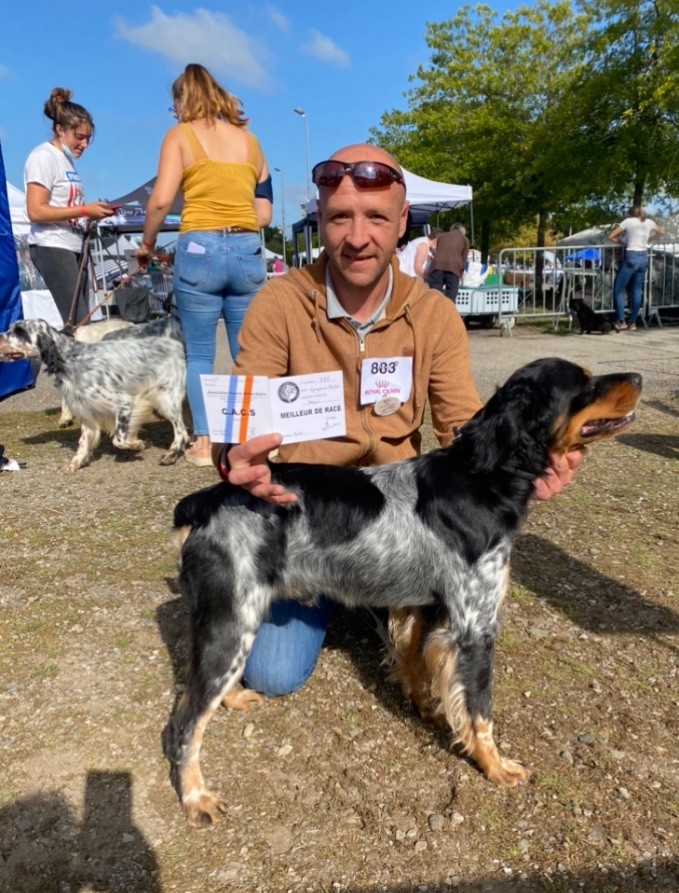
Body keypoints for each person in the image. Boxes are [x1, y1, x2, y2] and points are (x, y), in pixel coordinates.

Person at [211, 143, 582, 698]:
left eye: (377, 218)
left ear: (403, 221)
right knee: (273, 674)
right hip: (311, 521)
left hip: (399, 524)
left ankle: (379, 602)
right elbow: (238, 418)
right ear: (319, 218)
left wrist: (528, 455)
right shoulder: (279, 302)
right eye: (340, 217)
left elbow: (462, 427)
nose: (357, 237)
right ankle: (352, 600)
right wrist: (231, 456)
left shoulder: (434, 313)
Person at [134, 64, 272, 467]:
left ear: (183, 100)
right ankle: (252, 434)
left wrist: (147, 245)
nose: (174, 111)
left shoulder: (179, 136)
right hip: (246, 248)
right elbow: (264, 213)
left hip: (198, 248)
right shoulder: (251, 143)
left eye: (174, 103)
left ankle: (204, 439)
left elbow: (161, 200)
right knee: (248, 350)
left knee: (198, 354)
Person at [24, 89, 114, 331]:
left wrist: (92, 215)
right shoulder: (43, 156)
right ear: (60, 129)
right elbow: (35, 211)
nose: (85, 144)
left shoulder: (65, 161)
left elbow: (69, 207)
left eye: (88, 138)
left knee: (84, 323)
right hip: (52, 244)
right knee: (79, 324)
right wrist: (85, 211)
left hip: (73, 245)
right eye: (79, 137)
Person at [608, 206, 665, 331]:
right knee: (636, 290)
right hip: (643, 257)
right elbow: (661, 232)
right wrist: (650, 239)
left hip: (631, 256)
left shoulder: (628, 222)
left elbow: (611, 236)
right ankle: (632, 322)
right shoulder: (649, 222)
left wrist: (622, 242)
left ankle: (621, 320)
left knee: (618, 289)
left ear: (629, 214)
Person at [427, 222, 469, 302]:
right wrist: (460, 274)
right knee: (451, 297)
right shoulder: (465, 240)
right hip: (453, 268)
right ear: (463, 232)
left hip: (437, 266)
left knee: (434, 295)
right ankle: (448, 309)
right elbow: (463, 260)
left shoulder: (442, 236)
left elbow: (439, 250)